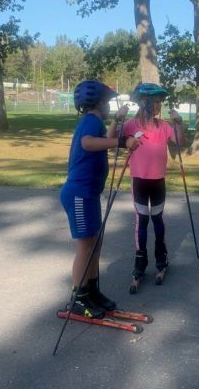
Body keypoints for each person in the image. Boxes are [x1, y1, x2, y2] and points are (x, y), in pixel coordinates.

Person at [59, 79, 139, 318]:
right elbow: (89, 143)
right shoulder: (90, 121)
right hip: (80, 194)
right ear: (98, 102)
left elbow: (104, 141)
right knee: (86, 246)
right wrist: (123, 142)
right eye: (107, 102)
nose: (109, 107)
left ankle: (91, 290)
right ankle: (78, 297)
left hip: (89, 193)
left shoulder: (94, 122)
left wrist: (117, 122)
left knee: (95, 242)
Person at [108, 83, 185, 282]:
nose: (159, 106)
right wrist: (116, 119)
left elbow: (180, 142)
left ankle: (161, 260)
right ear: (144, 102)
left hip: (158, 181)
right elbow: (110, 139)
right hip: (140, 181)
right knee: (141, 221)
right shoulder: (131, 125)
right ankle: (140, 264)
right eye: (155, 102)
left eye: (160, 102)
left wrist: (178, 123)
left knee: (158, 220)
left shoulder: (163, 126)